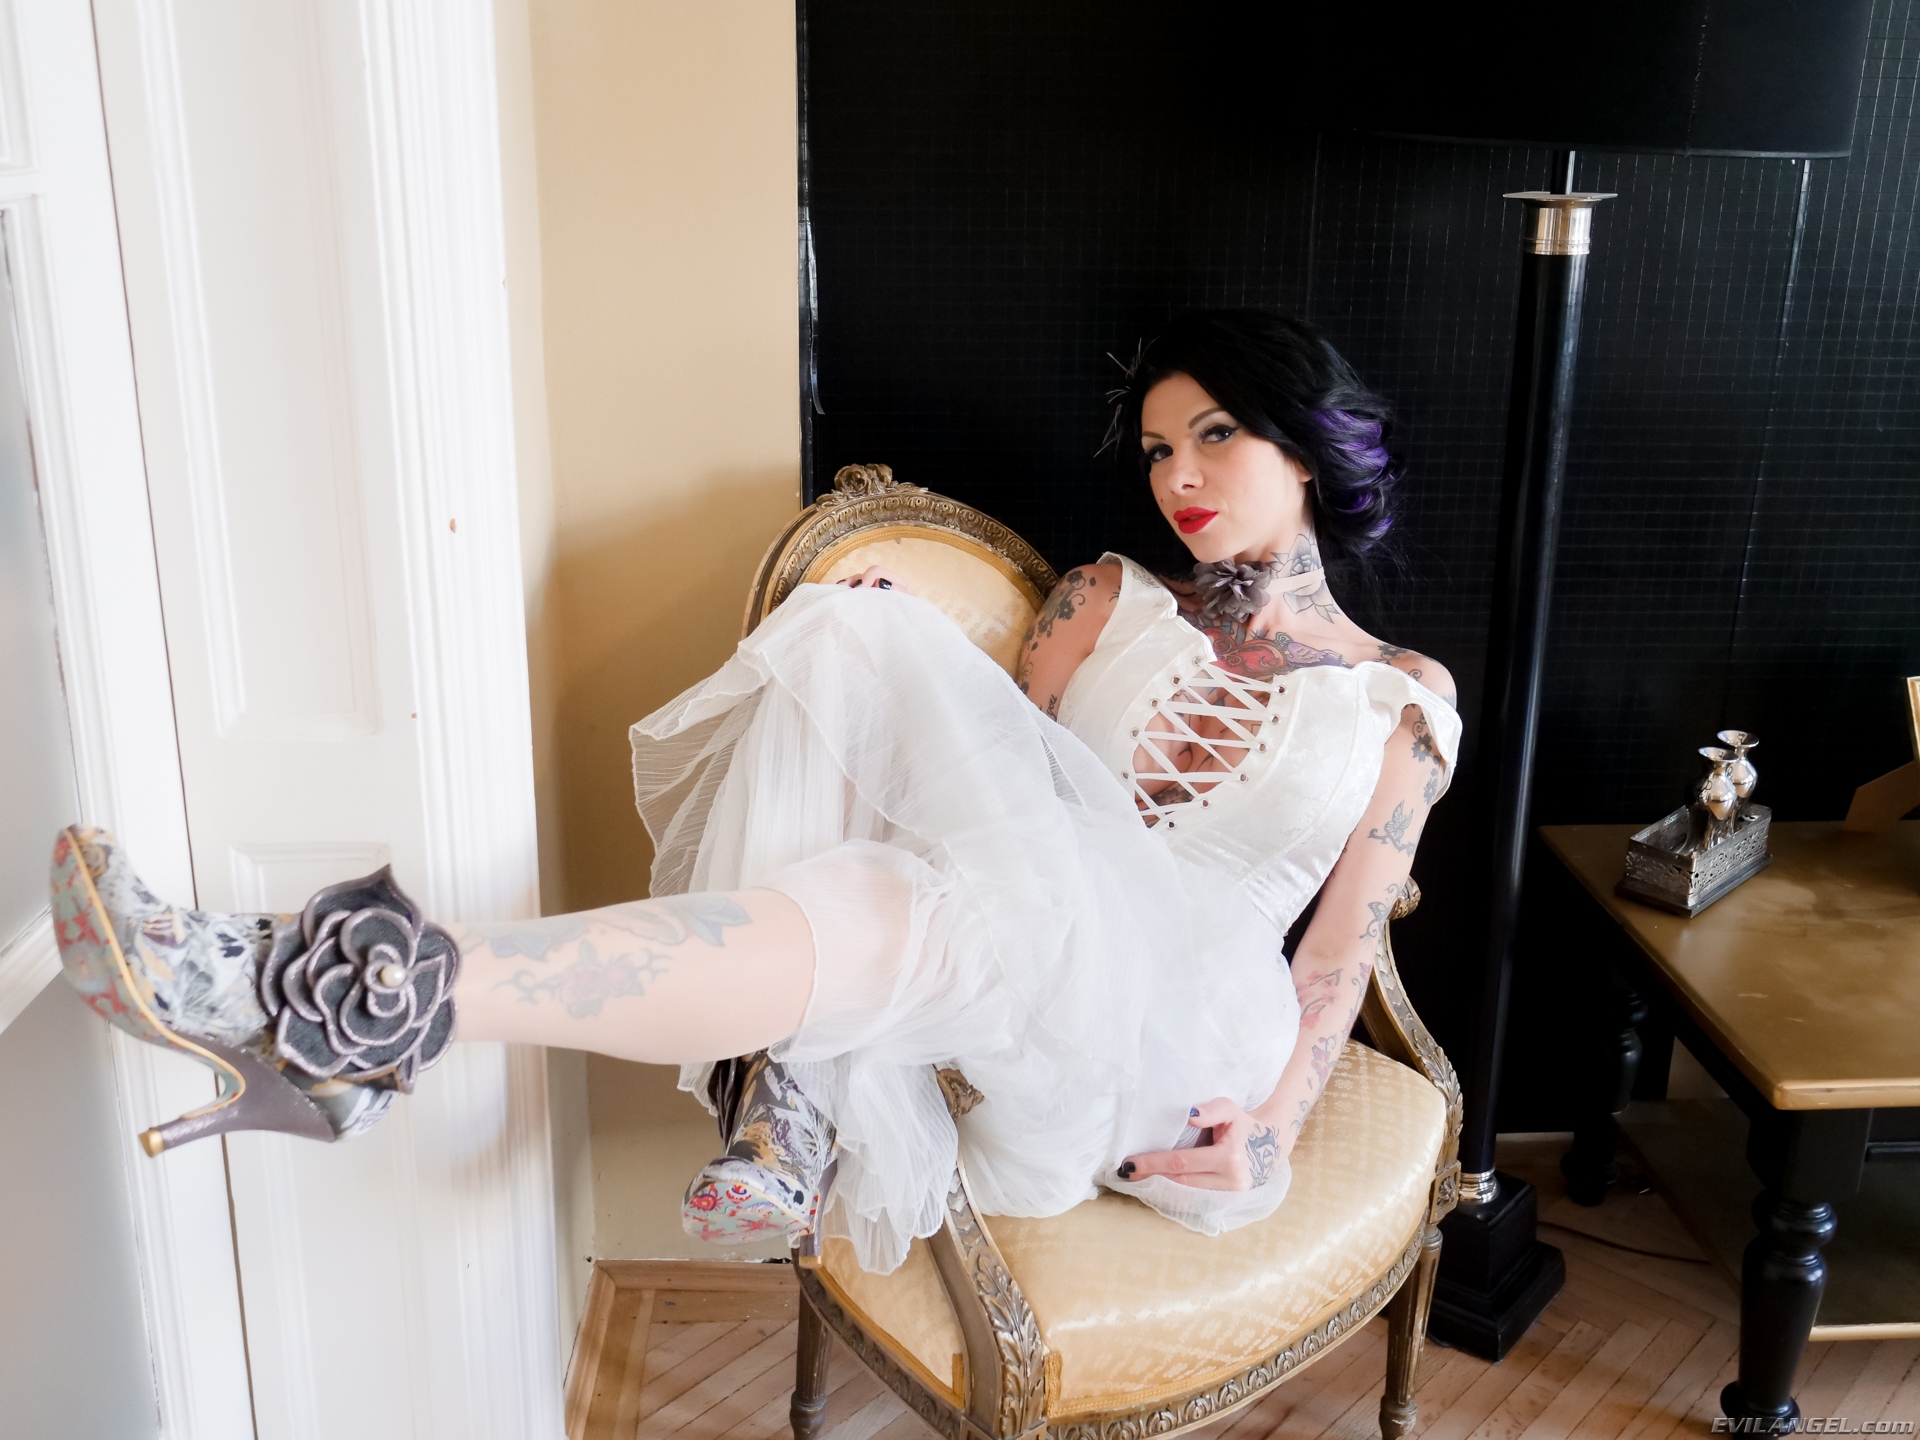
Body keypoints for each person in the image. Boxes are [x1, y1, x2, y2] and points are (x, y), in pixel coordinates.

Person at [51, 309, 1457, 1277]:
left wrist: (1271, 1138)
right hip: (1012, 946)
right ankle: (356, 1004)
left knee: (956, 890)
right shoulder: (1104, 600)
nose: (1178, 477)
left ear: (1305, 443)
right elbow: (985, 797)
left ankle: (341, 996)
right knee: (856, 640)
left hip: (1187, 1041)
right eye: (1156, 449)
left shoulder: (1400, 700)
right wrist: (889, 648)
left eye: (1215, 436)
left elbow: (1335, 963)